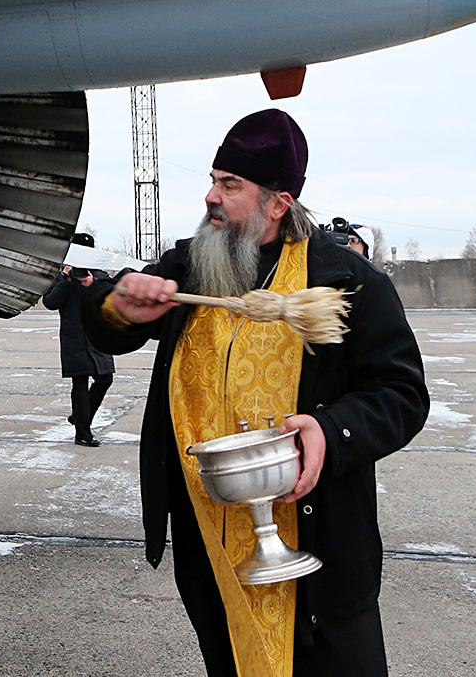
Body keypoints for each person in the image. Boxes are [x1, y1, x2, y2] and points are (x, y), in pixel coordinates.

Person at [82, 109, 428, 677]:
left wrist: (331, 431)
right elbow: (109, 331)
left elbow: (402, 393)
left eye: (230, 184)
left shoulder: (344, 281)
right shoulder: (188, 269)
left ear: (277, 203)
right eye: (214, 180)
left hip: (318, 537)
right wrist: (116, 308)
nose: (211, 197)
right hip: (210, 536)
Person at [42, 232, 114, 447]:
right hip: (74, 336)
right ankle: (83, 433)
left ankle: (80, 417)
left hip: (97, 334)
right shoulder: (62, 275)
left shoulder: (99, 273)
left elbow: (113, 291)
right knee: (80, 382)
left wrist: (93, 282)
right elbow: (50, 302)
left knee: (105, 379)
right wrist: (66, 279)